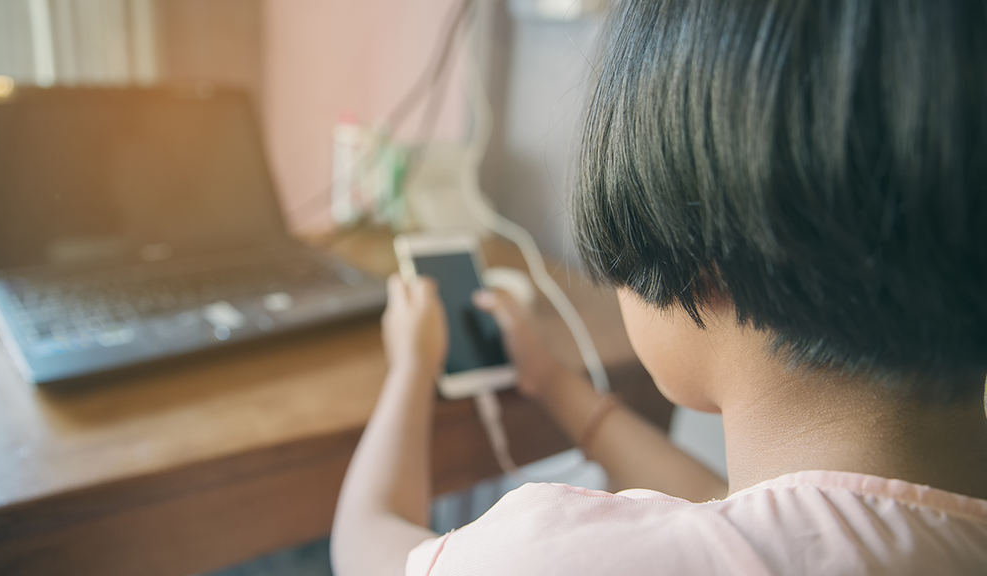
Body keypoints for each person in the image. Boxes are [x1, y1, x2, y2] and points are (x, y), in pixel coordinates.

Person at [330, 0, 987, 574]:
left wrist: (412, 369)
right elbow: (732, 509)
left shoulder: (548, 559)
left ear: (705, 256)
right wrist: (556, 388)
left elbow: (367, 545)